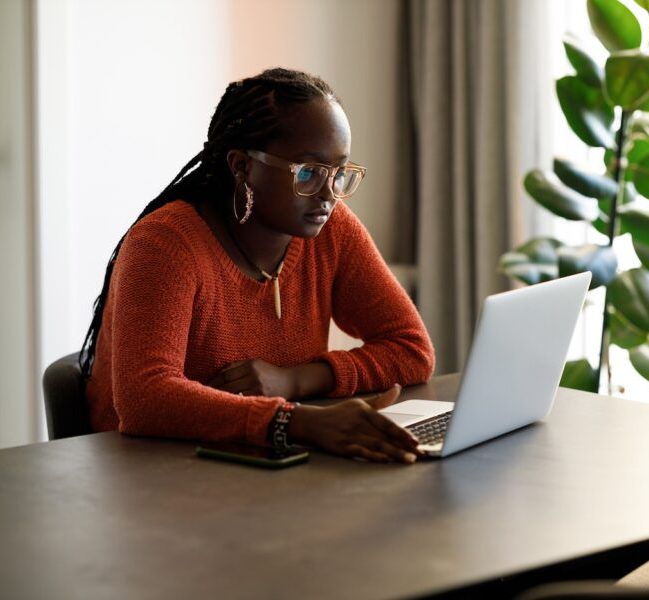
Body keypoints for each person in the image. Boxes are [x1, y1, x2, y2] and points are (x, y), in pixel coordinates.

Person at [82, 68, 435, 464]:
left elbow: (411, 350)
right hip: (148, 473)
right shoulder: (165, 244)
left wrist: (295, 380)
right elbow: (146, 398)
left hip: (265, 464)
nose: (328, 194)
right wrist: (296, 422)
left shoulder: (331, 228)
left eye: (339, 174)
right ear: (241, 166)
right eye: (308, 172)